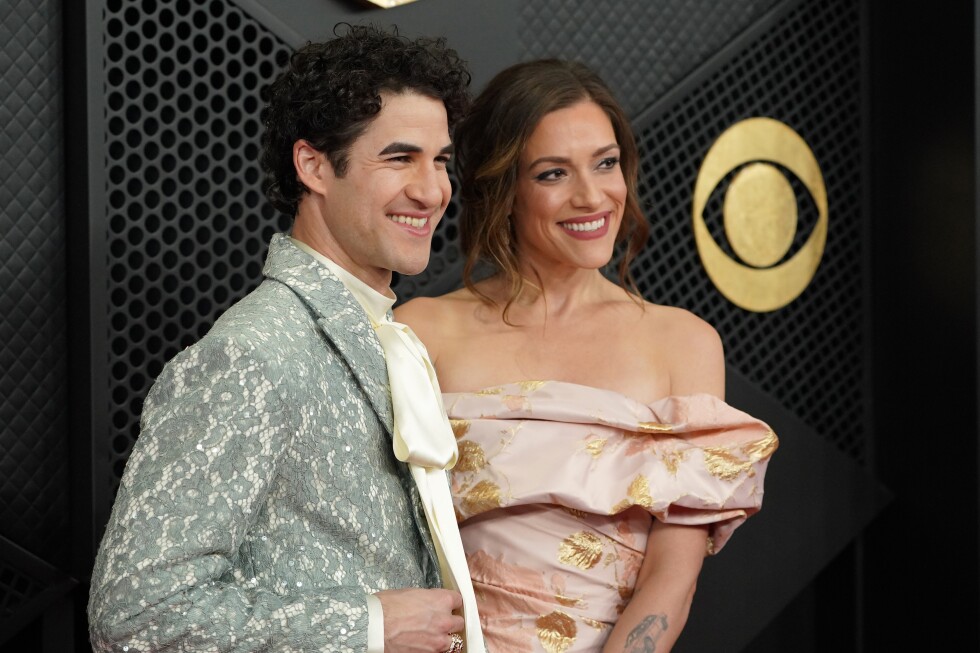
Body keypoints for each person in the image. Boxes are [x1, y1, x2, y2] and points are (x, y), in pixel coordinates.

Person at [88, 24, 484, 653]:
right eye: (399, 158)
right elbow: (136, 612)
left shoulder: (385, 335)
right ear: (313, 166)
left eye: (439, 160)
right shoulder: (251, 354)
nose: (432, 190)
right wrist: (366, 626)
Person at [394, 59, 778, 652]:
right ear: (503, 189)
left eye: (606, 163)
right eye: (553, 174)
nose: (592, 196)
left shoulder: (683, 342)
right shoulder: (421, 332)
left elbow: (671, 582)